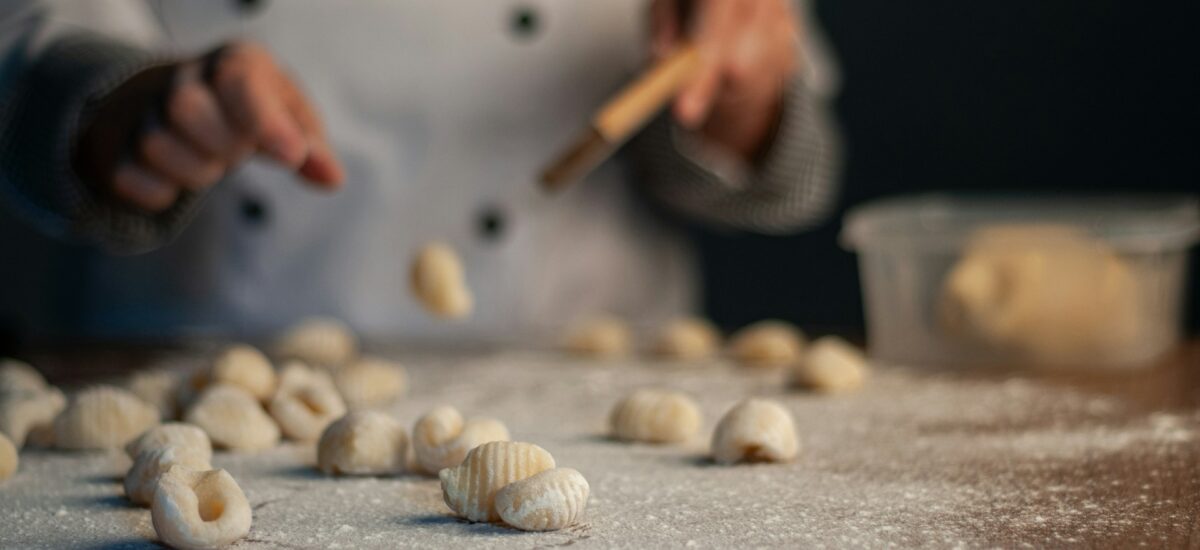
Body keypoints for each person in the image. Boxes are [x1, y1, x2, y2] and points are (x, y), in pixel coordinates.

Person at [0, 0, 840, 344]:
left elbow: (791, 170)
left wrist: (740, 96)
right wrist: (136, 114)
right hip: (199, 357)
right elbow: (35, 67)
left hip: (590, 377)